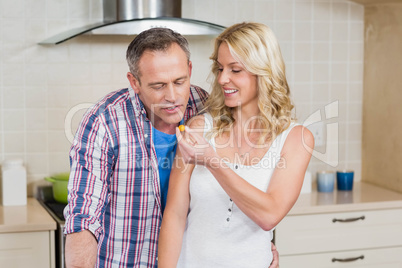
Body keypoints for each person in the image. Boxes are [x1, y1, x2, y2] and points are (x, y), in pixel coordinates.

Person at [63, 27, 280, 267]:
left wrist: (257, 249)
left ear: (189, 70)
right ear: (134, 82)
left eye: (179, 81)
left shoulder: (206, 107)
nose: (173, 96)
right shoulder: (105, 121)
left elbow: (235, 187)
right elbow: (83, 216)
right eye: (158, 86)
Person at [158, 22, 314, 267]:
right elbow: (175, 216)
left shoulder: (296, 138)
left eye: (235, 70)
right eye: (220, 68)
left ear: (263, 71)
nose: (222, 79)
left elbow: (269, 215)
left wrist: (211, 160)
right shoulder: (199, 129)